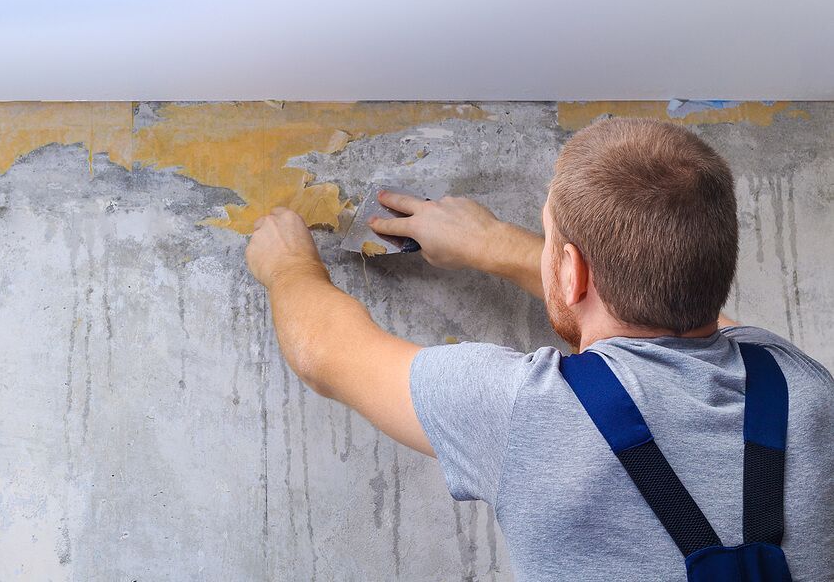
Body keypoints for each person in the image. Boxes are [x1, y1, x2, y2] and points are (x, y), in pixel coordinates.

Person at [244, 118, 833, 581]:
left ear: (572, 271)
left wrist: (289, 264)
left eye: (551, 237)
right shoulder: (804, 387)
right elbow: (687, 315)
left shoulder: (523, 412)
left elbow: (325, 352)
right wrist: (495, 244)